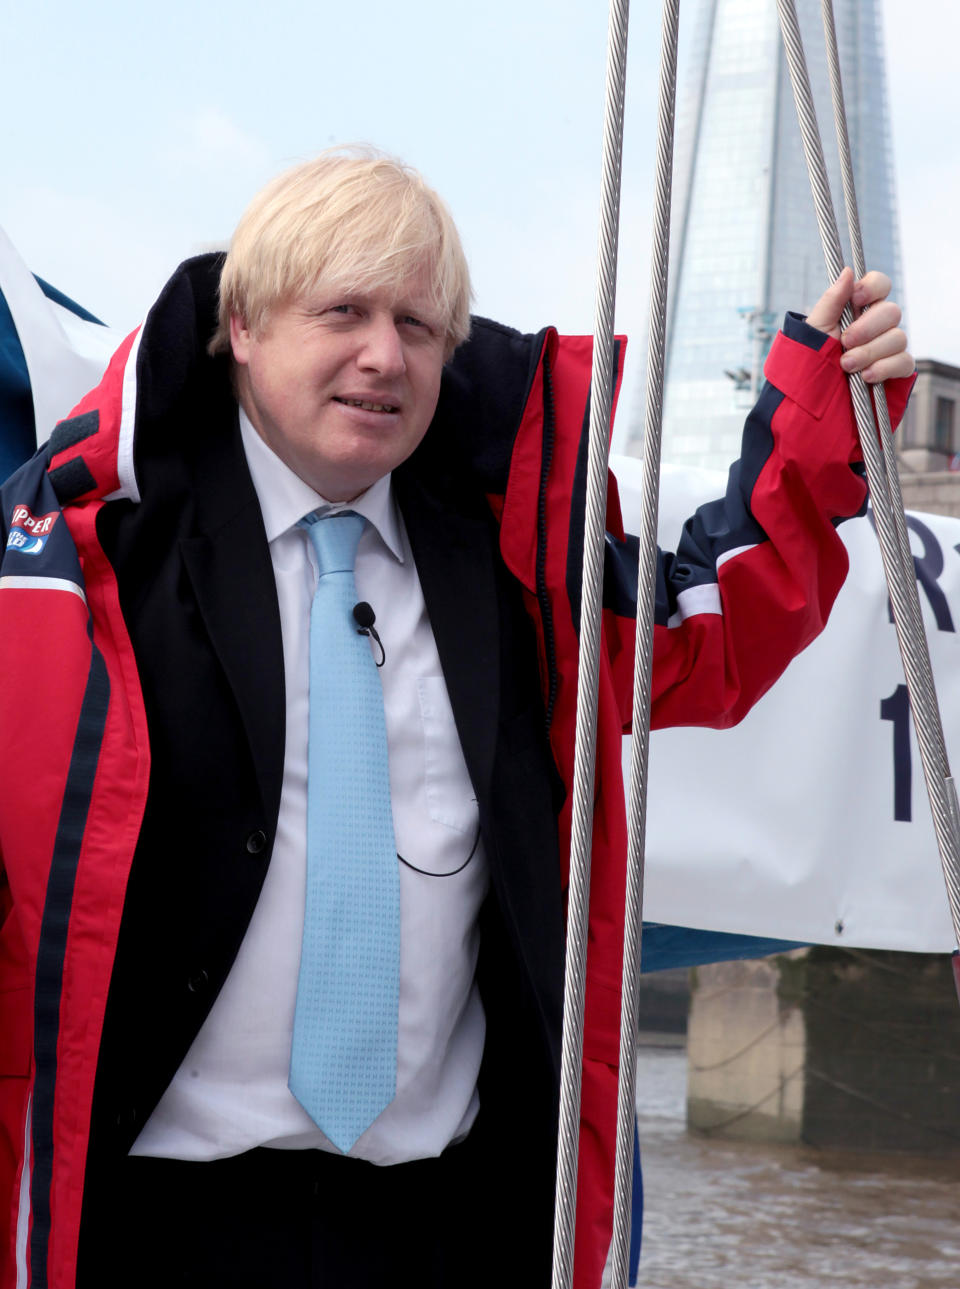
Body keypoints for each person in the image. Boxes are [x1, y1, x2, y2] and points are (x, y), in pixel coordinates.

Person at [0, 149, 914, 1289]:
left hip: (442, 1224)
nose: (385, 355)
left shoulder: (518, 570)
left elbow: (715, 630)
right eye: (343, 310)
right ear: (242, 324)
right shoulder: (77, 573)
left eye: (421, 326)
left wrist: (826, 406)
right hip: (153, 1223)